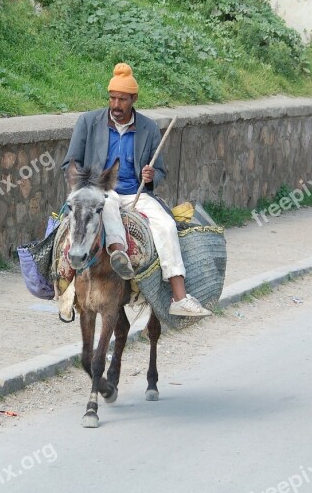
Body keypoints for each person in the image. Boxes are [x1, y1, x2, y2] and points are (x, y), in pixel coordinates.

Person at [62, 63, 212, 317]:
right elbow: (70, 164)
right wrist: (84, 187)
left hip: (137, 193)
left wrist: (151, 176)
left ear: (134, 99)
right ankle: (115, 257)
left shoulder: (149, 129)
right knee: (104, 207)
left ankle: (179, 297)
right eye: (112, 98)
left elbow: (161, 171)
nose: (116, 105)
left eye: (122, 99)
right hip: (99, 191)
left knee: (166, 225)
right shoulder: (88, 122)